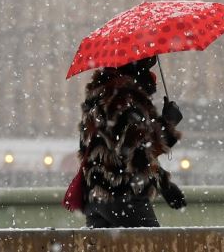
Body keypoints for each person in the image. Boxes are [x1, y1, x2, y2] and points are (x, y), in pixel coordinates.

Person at [78, 55, 186, 228]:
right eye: (148, 63)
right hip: (123, 195)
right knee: (152, 246)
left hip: (97, 196)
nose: (151, 70)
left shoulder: (100, 96)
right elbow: (137, 153)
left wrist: (163, 182)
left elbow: (115, 153)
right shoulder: (124, 97)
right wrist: (168, 123)